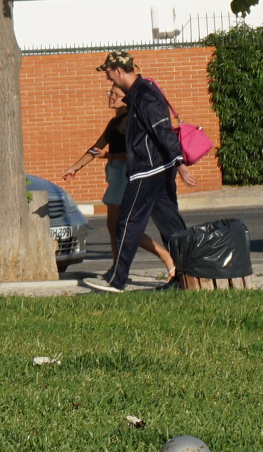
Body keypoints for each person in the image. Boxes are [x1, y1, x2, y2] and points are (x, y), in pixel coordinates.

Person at [82, 52, 195, 293]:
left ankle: (116, 279)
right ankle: (187, 278)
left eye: (108, 72)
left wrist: (180, 164)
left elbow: (162, 131)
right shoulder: (139, 93)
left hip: (148, 171)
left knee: (127, 223)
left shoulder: (144, 96)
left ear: (120, 71)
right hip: (157, 170)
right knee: (172, 228)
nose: (107, 77)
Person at [63, 87, 175, 283]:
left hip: (126, 175)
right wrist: (75, 167)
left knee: (123, 227)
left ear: (126, 99)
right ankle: (117, 267)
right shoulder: (114, 122)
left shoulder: (131, 121)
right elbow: (97, 147)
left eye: (116, 94)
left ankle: (166, 258)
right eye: (110, 93)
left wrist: (109, 156)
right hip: (114, 176)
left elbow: (134, 154)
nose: (111, 97)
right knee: (113, 225)